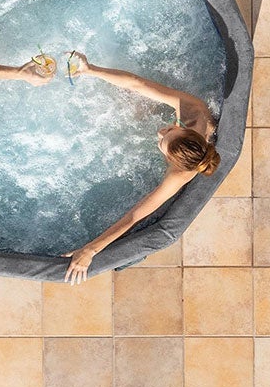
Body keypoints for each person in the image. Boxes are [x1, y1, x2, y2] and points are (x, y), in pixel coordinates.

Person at [62, 51, 220, 284]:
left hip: (174, 180)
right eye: (170, 130)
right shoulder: (195, 112)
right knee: (131, 104)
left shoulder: (178, 176)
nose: (160, 131)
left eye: (161, 144)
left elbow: (135, 215)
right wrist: (90, 70)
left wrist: (90, 250)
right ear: (187, 129)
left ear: (171, 162)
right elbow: (137, 84)